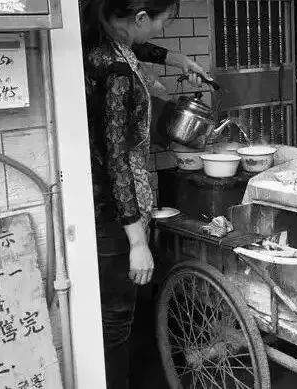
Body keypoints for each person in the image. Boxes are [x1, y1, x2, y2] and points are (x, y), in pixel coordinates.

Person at [80, 1, 208, 387]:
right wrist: (137, 240)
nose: (162, 31)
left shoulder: (104, 43)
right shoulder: (117, 73)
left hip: (115, 203)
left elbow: (142, 48)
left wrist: (178, 59)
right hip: (115, 212)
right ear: (139, 19)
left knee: (120, 314)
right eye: (163, 22)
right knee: (116, 322)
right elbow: (116, 159)